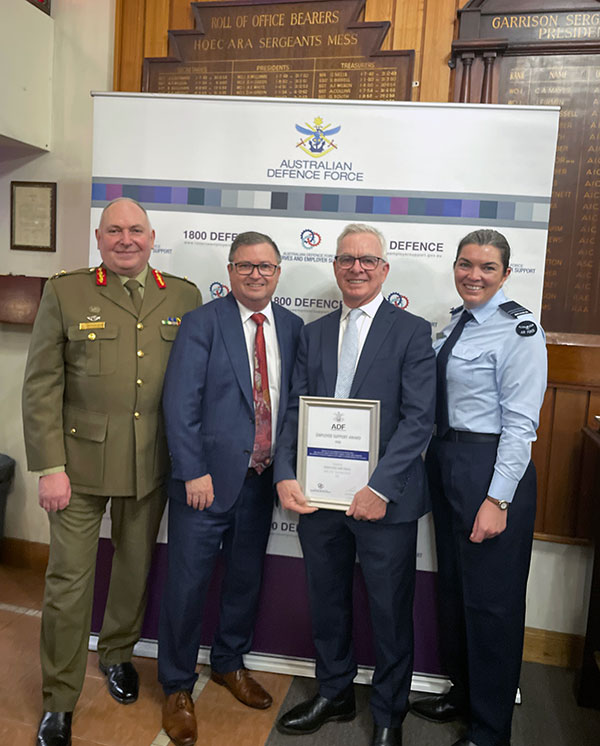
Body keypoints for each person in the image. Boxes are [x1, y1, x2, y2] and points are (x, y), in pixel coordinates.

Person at [22, 197, 202, 746]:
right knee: (69, 585)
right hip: (76, 468)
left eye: (137, 230)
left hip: (151, 464)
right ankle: (59, 697)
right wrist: (50, 466)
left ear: (153, 237)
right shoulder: (66, 290)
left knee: (133, 569)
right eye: (115, 230)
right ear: (99, 238)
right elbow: (41, 387)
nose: (127, 239)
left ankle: (118, 654)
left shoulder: (185, 295)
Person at [274, 223, 436, 746]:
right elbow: (295, 411)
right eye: (346, 259)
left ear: (384, 269)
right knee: (327, 599)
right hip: (319, 497)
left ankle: (389, 714)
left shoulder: (412, 332)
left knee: (390, 609)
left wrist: (380, 488)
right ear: (335, 266)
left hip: (385, 500)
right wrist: (285, 472)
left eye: (367, 260)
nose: (356, 268)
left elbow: (418, 420)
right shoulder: (314, 331)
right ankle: (335, 690)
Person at [158, 231, 303, 746]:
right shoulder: (203, 322)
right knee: (187, 585)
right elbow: (181, 402)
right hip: (205, 482)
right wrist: (192, 469)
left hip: (261, 481)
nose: (256, 274)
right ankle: (176, 684)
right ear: (230, 270)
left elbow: (290, 409)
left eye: (266, 266)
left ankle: (228, 662)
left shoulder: (291, 326)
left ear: (279, 272)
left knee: (244, 579)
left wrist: (285, 468)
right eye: (245, 266)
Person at [410, 229, 547, 746]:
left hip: (489, 467)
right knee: (457, 589)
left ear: (506, 274)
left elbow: (520, 426)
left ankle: (492, 728)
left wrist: (497, 498)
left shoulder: (520, 330)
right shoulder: (454, 324)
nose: (474, 275)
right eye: (466, 264)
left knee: (493, 601)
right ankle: (464, 693)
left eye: (487, 267)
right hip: (447, 459)